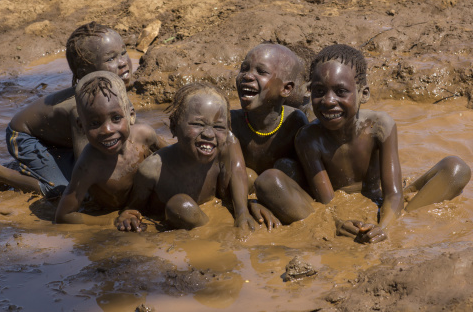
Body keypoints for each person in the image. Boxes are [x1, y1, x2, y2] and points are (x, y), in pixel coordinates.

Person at [255, 44, 471, 243]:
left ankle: (404, 214)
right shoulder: (308, 138)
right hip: (336, 200)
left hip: (381, 194)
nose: (329, 101)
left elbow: (393, 194)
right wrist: (339, 222)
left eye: (341, 92)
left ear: (363, 93)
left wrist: (384, 227)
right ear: (310, 92)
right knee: (269, 181)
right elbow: (328, 201)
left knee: (457, 169)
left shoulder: (380, 126)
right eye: (319, 92)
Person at [0, 22, 134, 198]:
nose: (123, 63)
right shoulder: (81, 109)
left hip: (58, 138)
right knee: (64, 190)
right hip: (25, 136)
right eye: (110, 59)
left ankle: (38, 166)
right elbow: (83, 165)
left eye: (123, 52)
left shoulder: (112, 92)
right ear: (85, 72)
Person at [115, 82, 255, 232]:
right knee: (181, 206)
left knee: (250, 176)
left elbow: (237, 171)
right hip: (183, 214)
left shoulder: (228, 142)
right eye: (197, 124)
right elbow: (134, 208)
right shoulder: (153, 169)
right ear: (174, 127)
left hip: (210, 205)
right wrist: (127, 216)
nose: (208, 134)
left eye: (219, 127)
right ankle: (207, 233)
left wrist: (243, 213)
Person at [55, 71, 166, 225]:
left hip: (144, 203)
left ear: (131, 115)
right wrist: (112, 221)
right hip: (114, 211)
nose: (107, 129)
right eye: (94, 123)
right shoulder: (88, 166)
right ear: (81, 126)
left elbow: (176, 157)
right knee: (52, 189)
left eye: (116, 118)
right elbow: (64, 215)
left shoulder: (144, 136)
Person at [230, 43, 309, 229]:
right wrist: (249, 205)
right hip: (248, 191)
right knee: (247, 176)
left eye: (261, 72)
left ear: (286, 89)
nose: (247, 76)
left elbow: (306, 182)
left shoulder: (295, 123)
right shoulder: (232, 123)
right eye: (244, 68)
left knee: (284, 168)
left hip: (279, 192)